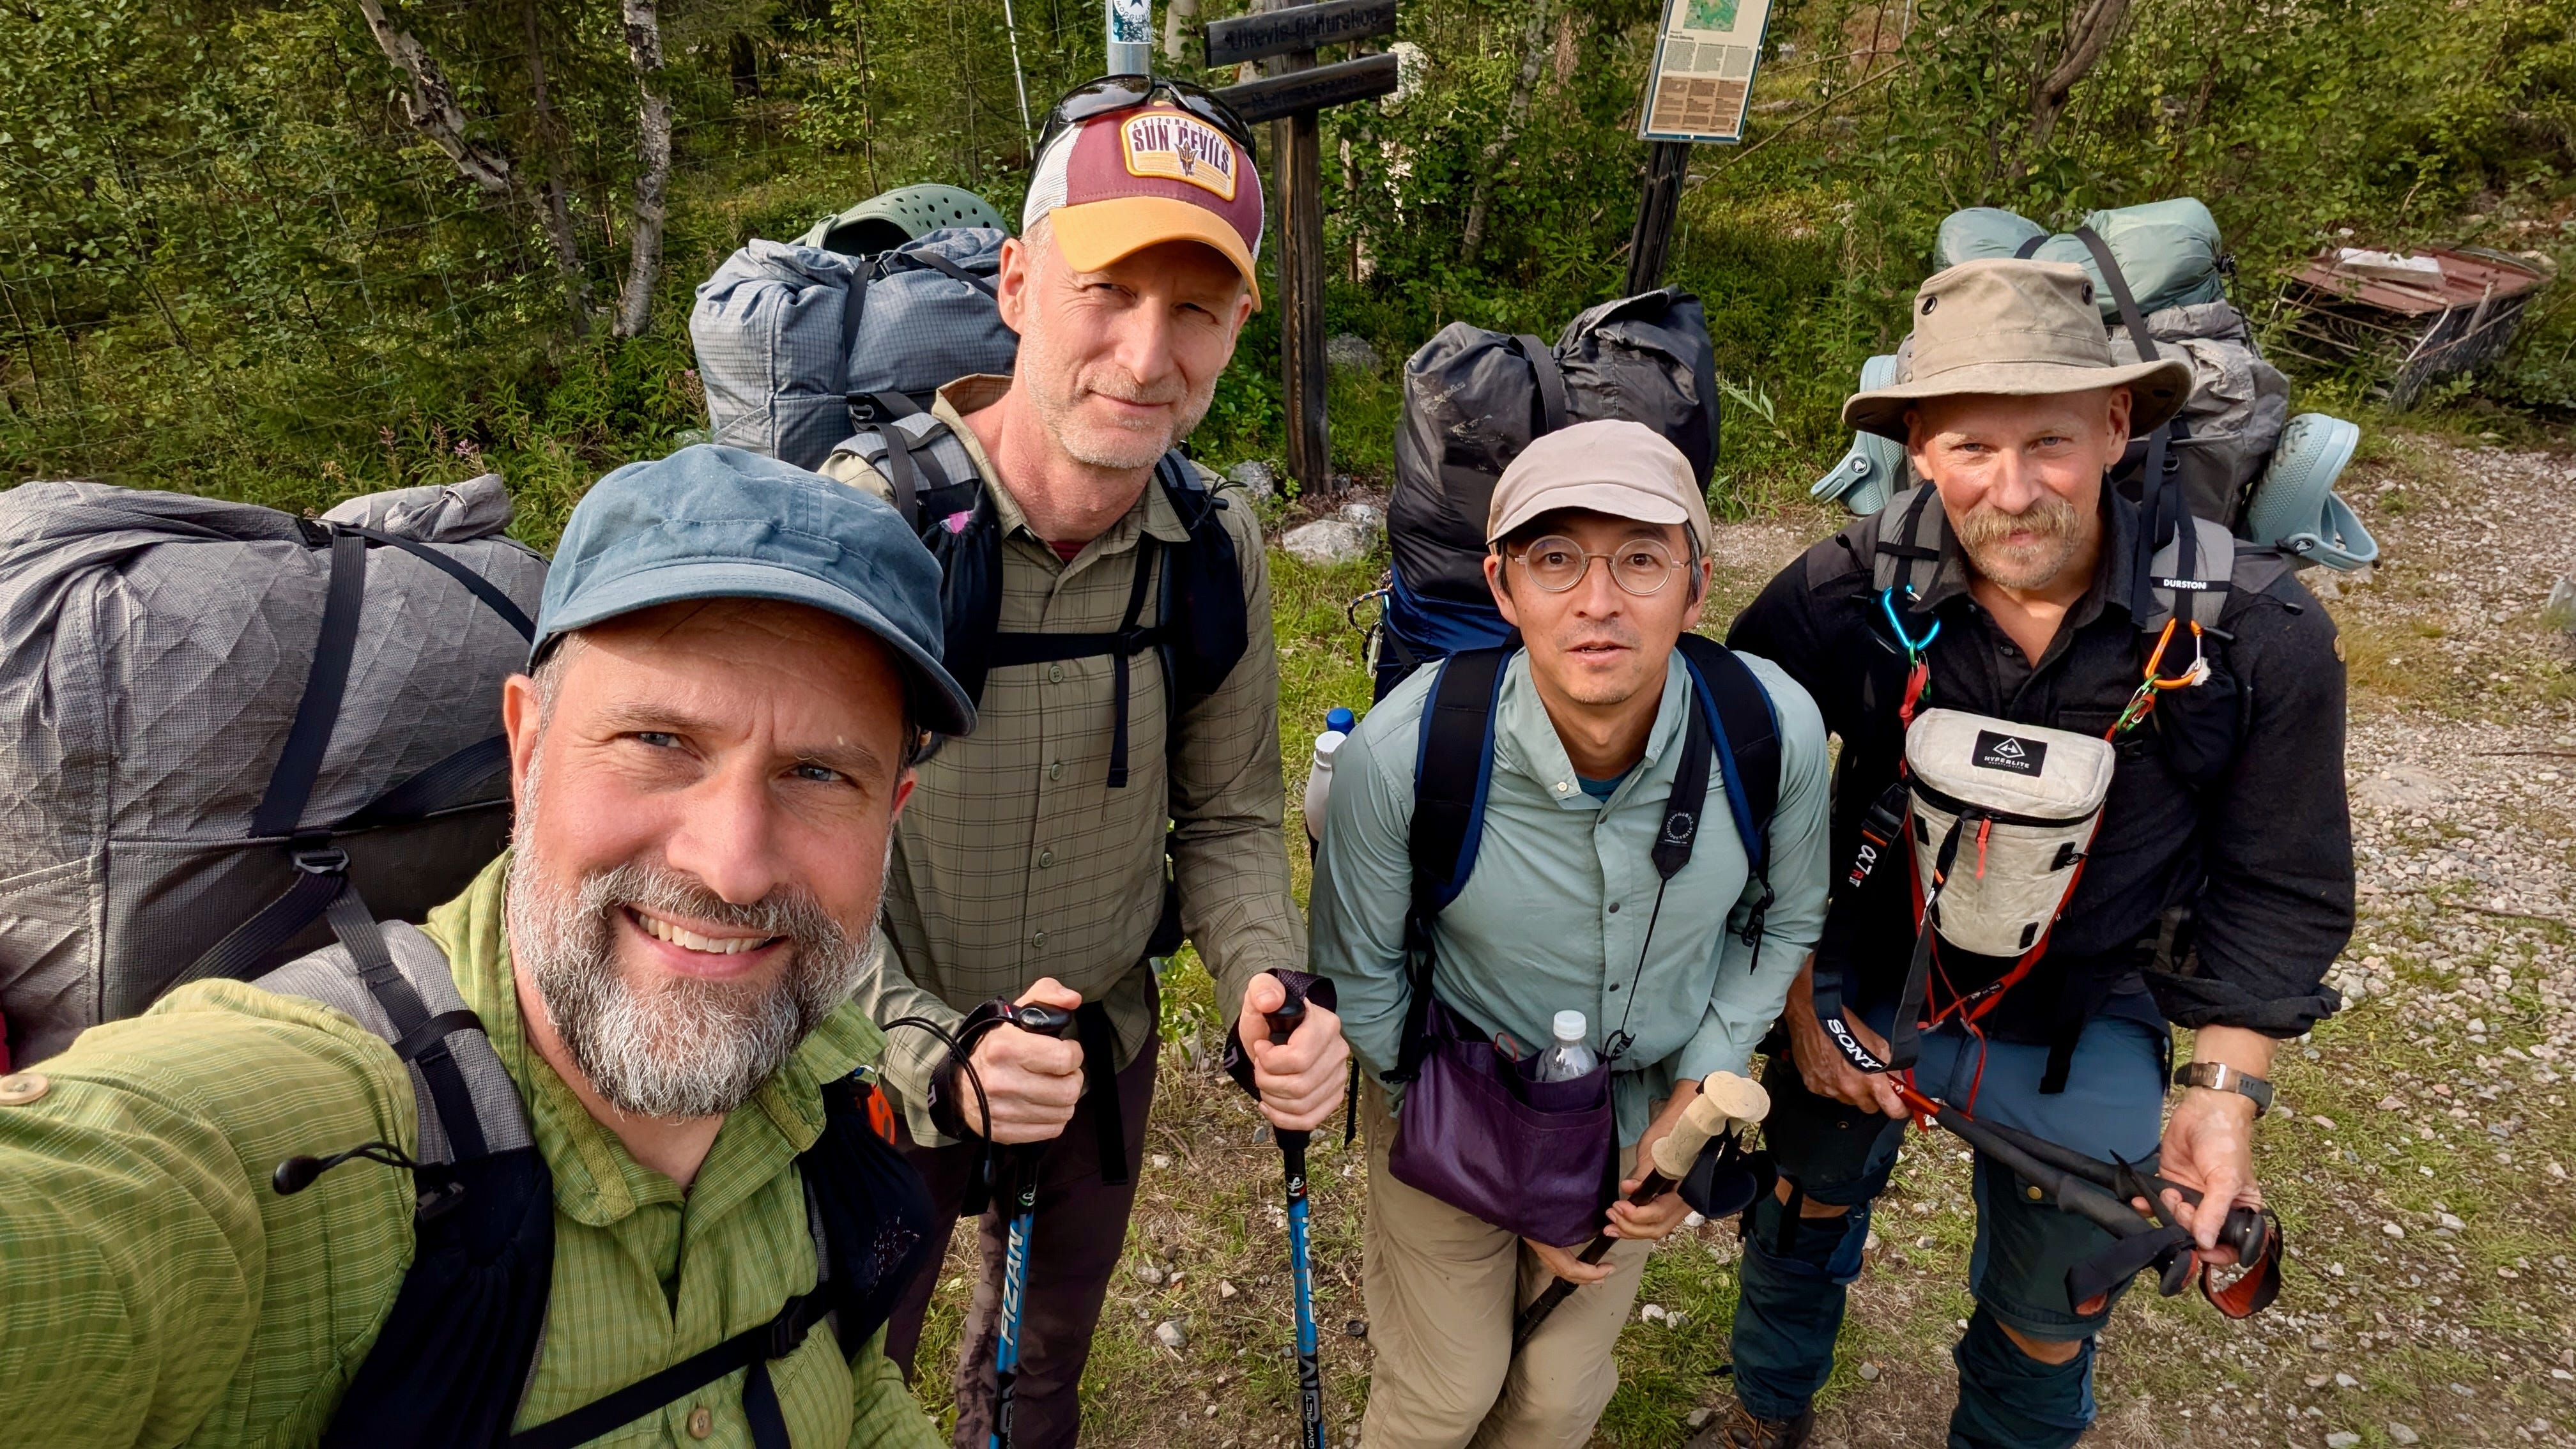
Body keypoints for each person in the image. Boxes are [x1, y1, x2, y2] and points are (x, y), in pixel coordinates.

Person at [0, 446, 969, 1447]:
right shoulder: (307, 1130)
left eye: (818, 773)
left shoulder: (819, 1070)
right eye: (659, 742)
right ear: (527, 748)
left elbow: (850, 1386)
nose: (732, 869)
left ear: (891, 811)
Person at [1708, 261, 2353, 1448]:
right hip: (1868, 974)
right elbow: (1742, 800)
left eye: (2050, 441)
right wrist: (1799, 998)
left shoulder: (2255, 632)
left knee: (2052, 1311)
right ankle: (1765, 1413)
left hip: (2094, 1004)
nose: (2013, 492)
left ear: (2116, 426)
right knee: (1799, 1214)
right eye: (1971, 447)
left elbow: (2280, 880)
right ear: (1918, 449)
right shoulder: (1841, 595)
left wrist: (2223, 1096)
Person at [815, 77, 1343, 1445]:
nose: (1148, 354)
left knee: (1042, 1371)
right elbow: (781, 860)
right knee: (848, 1372)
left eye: (1197, 308)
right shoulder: (869, 529)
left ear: (1237, 327)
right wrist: (938, 1057)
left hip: (1100, 1050)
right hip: (876, 1058)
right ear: (1016, 283)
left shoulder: (1211, 545)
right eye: (1108, 290)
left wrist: (1266, 981)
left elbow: (1227, 818)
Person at [1310, 420, 1833, 1449]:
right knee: (1445, 1392)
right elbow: (1361, 978)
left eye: (1640, 559)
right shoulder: (1405, 756)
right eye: (1556, 559)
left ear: (1696, 587)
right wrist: (1514, 1172)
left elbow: (1784, 919)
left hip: (1641, 1117)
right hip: (1451, 1095)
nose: (1599, 601)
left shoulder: (1772, 733)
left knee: (1554, 1399)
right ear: (1503, 588)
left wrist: (1703, 1078)